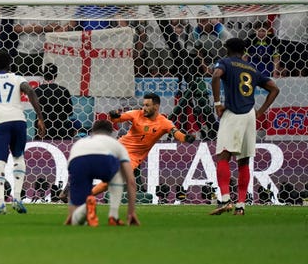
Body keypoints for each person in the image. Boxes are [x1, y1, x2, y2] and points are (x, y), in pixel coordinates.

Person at [210, 38, 279, 216]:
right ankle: (241, 205)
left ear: (227, 49)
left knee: (223, 156)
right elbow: (274, 88)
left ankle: (225, 200)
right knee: (244, 160)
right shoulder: (252, 68)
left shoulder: (225, 62)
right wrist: (261, 111)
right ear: (244, 51)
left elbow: (216, 76)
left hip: (233, 113)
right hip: (249, 115)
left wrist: (217, 103)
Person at [0, 49, 46, 215]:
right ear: (10, 64)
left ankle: (1, 204)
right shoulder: (18, 78)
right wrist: (40, 118)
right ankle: (18, 198)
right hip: (19, 121)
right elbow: (31, 92)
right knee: (19, 157)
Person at [90, 93, 196, 197]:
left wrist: (186, 138)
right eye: (143, 105)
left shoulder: (164, 123)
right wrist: (113, 115)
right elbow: (116, 119)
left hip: (133, 158)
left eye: (147, 105)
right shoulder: (136, 114)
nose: (144, 108)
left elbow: (177, 134)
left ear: (156, 106)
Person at [65, 119, 140, 227]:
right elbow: (131, 180)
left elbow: (72, 177)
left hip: (78, 161)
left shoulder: (80, 143)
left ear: (93, 132)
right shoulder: (116, 144)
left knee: (76, 221)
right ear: (110, 133)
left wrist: (72, 213)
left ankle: (84, 209)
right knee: (119, 174)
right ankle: (113, 216)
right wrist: (131, 212)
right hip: (103, 160)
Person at [34, 63, 75, 140]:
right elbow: (70, 112)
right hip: (59, 130)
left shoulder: (36, 90)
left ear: (43, 74)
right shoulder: (63, 90)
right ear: (56, 75)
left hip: (41, 129)